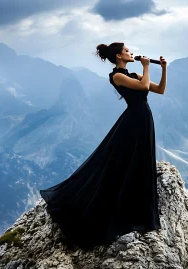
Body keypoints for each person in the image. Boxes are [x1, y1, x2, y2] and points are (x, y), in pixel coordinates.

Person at [39, 42, 167, 249]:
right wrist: (146, 66)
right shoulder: (117, 76)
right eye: (127, 51)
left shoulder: (133, 75)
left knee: (140, 160)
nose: (131, 53)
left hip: (144, 119)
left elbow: (159, 90)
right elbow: (144, 87)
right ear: (118, 56)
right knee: (122, 163)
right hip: (133, 121)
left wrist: (164, 68)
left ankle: (135, 208)